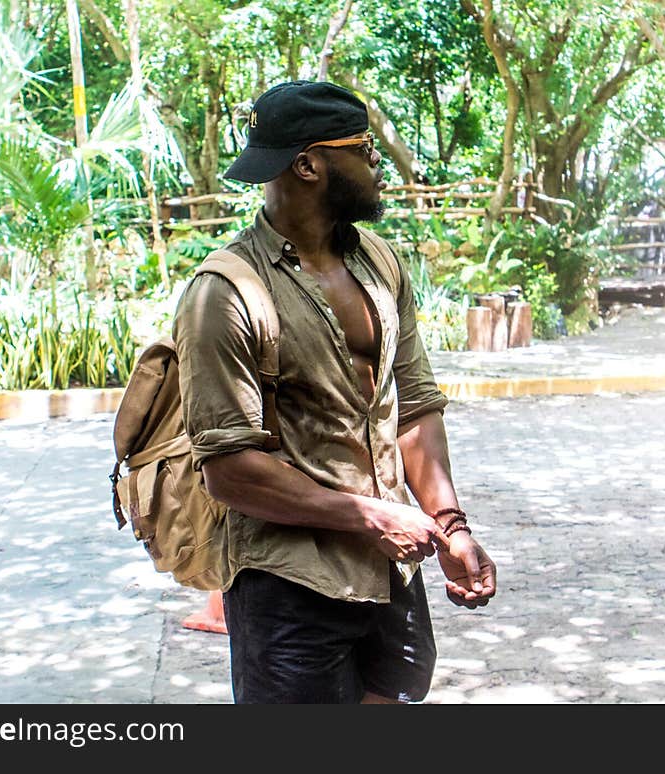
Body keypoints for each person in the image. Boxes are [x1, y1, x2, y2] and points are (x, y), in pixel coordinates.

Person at [172, 80, 497, 704]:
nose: (378, 164)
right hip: (289, 587)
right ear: (309, 164)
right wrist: (372, 517)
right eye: (364, 148)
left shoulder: (379, 262)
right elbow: (229, 471)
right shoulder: (225, 294)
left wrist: (451, 526)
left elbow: (416, 404)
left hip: (391, 576)